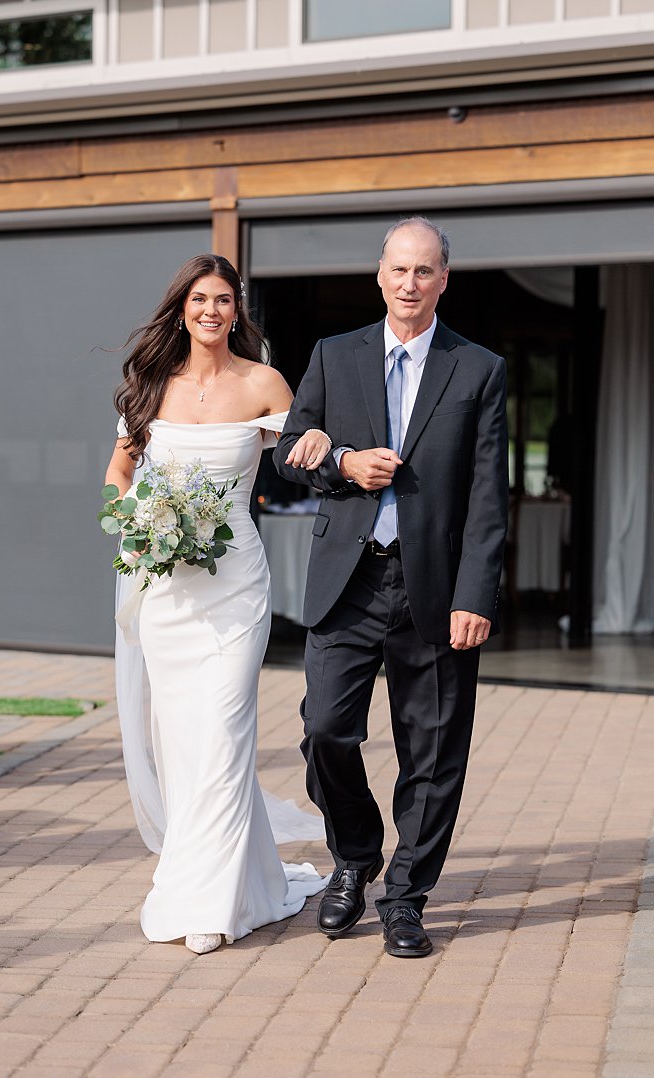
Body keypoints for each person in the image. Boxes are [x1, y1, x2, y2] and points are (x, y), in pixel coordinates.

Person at [273, 216, 507, 959]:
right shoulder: (333, 356)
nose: (411, 284)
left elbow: (488, 497)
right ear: (380, 274)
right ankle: (356, 853)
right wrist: (339, 460)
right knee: (325, 731)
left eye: (426, 271)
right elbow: (291, 450)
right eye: (400, 270)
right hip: (349, 579)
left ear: (445, 279)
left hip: (435, 588)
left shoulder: (479, 369)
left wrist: (477, 594)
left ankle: (406, 895)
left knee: (434, 752)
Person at [106, 253, 327, 956]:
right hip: (168, 590)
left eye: (223, 300)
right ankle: (226, 876)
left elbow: (304, 453)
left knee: (225, 733)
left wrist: (323, 441)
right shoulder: (148, 387)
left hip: (236, 587)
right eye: (199, 299)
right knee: (183, 739)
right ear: (181, 309)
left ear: (237, 310)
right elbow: (120, 471)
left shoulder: (264, 384)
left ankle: (213, 902)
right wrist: (138, 521)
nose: (211, 310)